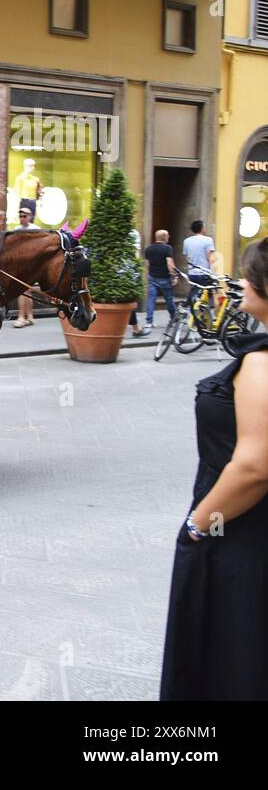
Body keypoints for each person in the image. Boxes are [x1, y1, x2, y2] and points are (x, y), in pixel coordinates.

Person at [161, 237, 268, 699]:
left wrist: (201, 525)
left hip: (241, 530)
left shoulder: (262, 364)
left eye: (250, 275)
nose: (241, 281)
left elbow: (255, 467)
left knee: (233, 649)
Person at [144, 230, 179, 333]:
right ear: (164, 237)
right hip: (164, 277)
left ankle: (148, 322)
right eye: (167, 235)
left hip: (152, 276)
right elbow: (170, 263)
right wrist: (174, 275)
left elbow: (147, 264)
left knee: (151, 300)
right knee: (169, 299)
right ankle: (174, 319)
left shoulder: (149, 248)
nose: (169, 236)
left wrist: (150, 274)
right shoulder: (167, 248)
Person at [12, 206, 38, 327]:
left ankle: (22, 317)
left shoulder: (35, 229)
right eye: (20, 216)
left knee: (24, 290)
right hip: (20, 262)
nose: (22, 218)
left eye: (24, 216)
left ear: (30, 217)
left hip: (31, 262)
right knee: (26, 290)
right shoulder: (16, 229)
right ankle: (30, 316)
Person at [183, 219, 216, 287]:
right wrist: (214, 273)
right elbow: (210, 258)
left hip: (192, 273)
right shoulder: (208, 240)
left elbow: (187, 258)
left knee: (194, 293)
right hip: (204, 273)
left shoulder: (186, 241)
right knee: (208, 295)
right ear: (202, 228)